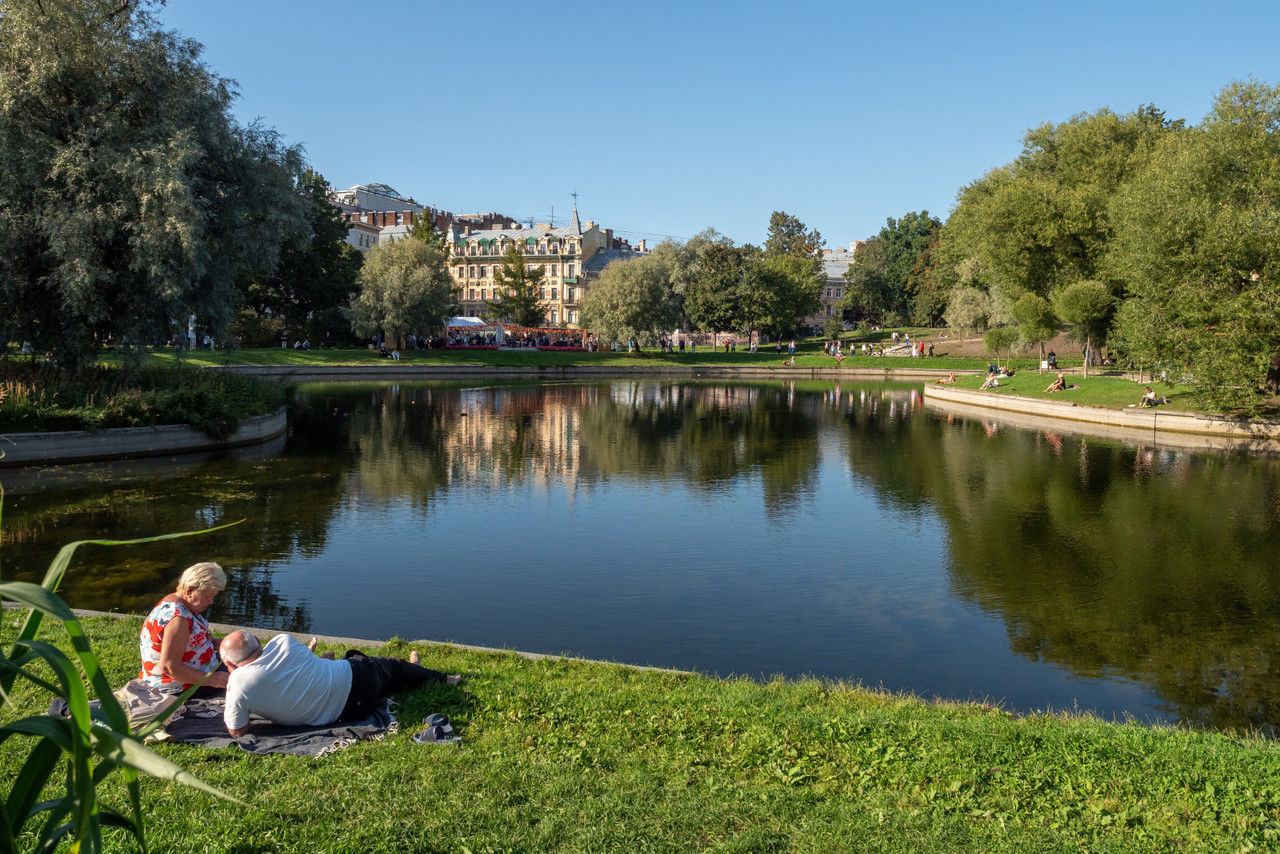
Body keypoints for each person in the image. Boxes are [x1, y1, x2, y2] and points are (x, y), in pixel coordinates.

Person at [218, 631, 460, 736]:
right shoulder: (282, 642)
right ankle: (443, 678)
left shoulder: (238, 684)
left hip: (350, 712)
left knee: (383, 677)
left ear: (230, 665)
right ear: (259, 643)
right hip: (359, 679)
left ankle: (414, 672)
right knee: (390, 667)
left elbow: (237, 730)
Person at [139, 562, 228, 694]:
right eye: (208, 596)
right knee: (249, 669)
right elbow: (169, 667)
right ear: (190, 590)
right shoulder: (178, 620)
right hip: (180, 686)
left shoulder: (178, 601)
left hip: (197, 672)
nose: (211, 601)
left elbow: (188, 641)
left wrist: (214, 642)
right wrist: (213, 679)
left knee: (244, 651)